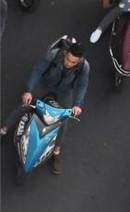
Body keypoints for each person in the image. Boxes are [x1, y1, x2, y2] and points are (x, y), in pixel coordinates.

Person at [1, 36, 89, 175]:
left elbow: (83, 85)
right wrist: (29, 90)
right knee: (25, 105)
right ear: (65, 53)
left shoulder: (84, 67)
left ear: (79, 61)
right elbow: (38, 70)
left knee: (64, 121)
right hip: (45, 85)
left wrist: (77, 104)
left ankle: (56, 152)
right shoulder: (54, 55)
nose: (68, 63)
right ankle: (4, 129)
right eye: (67, 59)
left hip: (64, 93)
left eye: (73, 62)